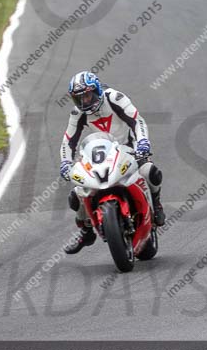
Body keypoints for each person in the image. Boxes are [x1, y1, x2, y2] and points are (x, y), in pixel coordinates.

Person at [60, 71, 165, 254]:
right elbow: (68, 141)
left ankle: (156, 204)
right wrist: (65, 162)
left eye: (87, 96)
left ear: (97, 90)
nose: (84, 102)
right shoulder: (77, 114)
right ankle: (86, 231)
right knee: (76, 193)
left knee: (150, 171)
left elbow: (136, 120)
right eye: (79, 99)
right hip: (101, 153)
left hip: (130, 149)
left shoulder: (115, 98)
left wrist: (142, 142)